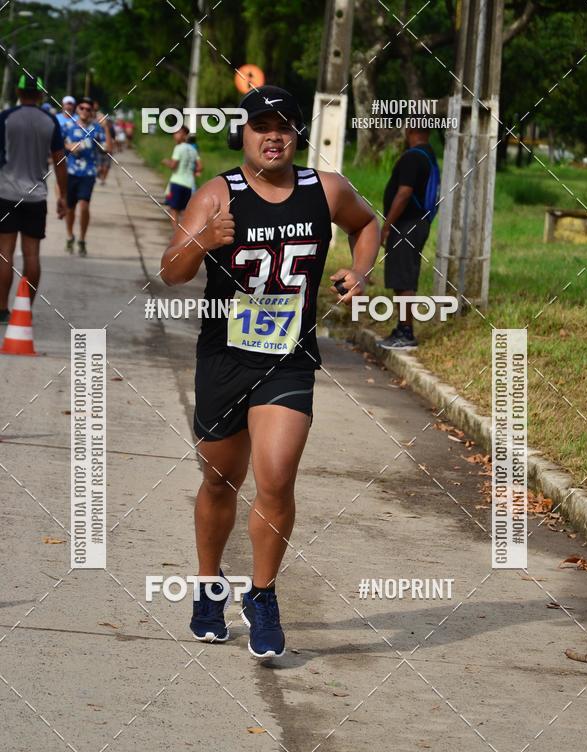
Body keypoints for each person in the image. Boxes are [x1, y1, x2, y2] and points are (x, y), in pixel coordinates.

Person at [160, 86, 379, 658]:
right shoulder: (217, 194)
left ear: (297, 133)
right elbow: (171, 273)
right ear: (245, 133)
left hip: (289, 358)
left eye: (284, 125)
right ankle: (209, 588)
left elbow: (369, 224)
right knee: (218, 480)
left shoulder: (323, 189)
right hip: (224, 359)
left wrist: (359, 271)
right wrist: (204, 240)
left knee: (276, 477)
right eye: (262, 126)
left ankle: (262, 595)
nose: (273, 135)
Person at [0, 73, 67, 324]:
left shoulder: (6, 118)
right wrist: (64, 196)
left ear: (18, 93)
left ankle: (1, 309)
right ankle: (24, 310)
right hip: (35, 196)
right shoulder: (50, 121)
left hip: (5, 193)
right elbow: (60, 161)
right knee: (31, 255)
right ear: (40, 94)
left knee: (4, 253)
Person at [378, 124, 439, 350]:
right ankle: (402, 328)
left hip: (407, 224)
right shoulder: (429, 155)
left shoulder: (413, 158)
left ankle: (406, 332)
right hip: (417, 223)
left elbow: (404, 194)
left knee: (403, 278)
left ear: (409, 130)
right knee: (402, 276)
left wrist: (387, 225)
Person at [61, 96, 112, 256]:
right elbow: (57, 144)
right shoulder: (68, 125)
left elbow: (108, 149)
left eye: (88, 109)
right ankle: (70, 236)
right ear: (77, 109)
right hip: (70, 172)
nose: (84, 111)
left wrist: (107, 128)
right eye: (81, 108)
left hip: (88, 173)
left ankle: (82, 239)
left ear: (92, 111)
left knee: (84, 206)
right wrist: (69, 146)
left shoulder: (96, 129)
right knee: (70, 208)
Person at [162, 125, 200, 230]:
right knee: (184, 212)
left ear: (184, 135)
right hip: (189, 184)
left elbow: (173, 165)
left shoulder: (178, 148)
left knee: (173, 210)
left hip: (177, 183)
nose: (175, 135)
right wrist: (193, 171)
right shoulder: (193, 150)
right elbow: (200, 167)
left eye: (177, 133)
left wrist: (166, 162)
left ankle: (176, 235)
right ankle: (184, 234)